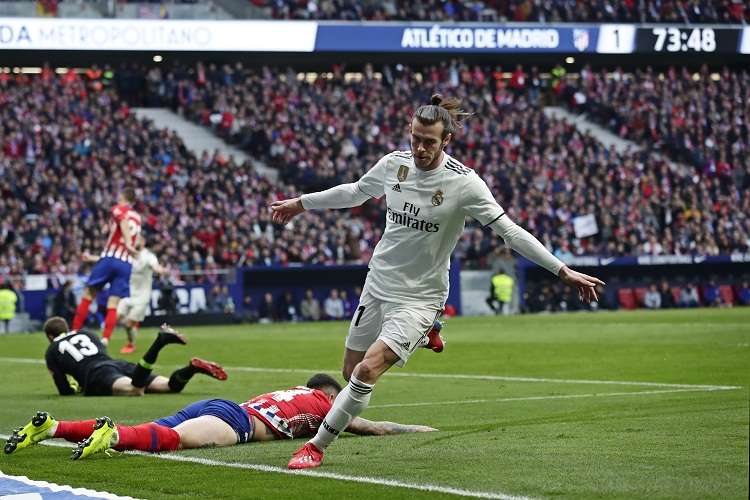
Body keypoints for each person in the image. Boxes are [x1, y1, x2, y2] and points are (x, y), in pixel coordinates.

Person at [271, 93, 604, 469]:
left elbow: (510, 233)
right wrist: (301, 203)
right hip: (378, 284)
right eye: (415, 138)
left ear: (447, 140)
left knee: (366, 372)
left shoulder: (465, 184)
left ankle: (315, 447)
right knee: (349, 373)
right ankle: (431, 330)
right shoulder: (393, 164)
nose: (420, 148)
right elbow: (354, 192)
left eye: (429, 141)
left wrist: (563, 270)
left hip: (421, 296)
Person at [4, 374, 435, 459]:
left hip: (226, 405)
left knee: (157, 429)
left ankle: (53, 427)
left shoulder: (296, 392)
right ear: (330, 395)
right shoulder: (327, 404)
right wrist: (416, 428)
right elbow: (371, 427)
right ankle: (110, 437)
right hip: (237, 423)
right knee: (170, 441)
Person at [41, 316, 226, 397]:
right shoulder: (86, 333)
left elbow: (63, 387)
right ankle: (191, 368)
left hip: (97, 374)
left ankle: (159, 342)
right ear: (65, 328)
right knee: (169, 387)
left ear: (50, 336)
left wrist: (76, 389)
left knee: (134, 390)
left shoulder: (52, 350)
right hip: (116, 364)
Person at [71, 188, 141, 347]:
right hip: (125, 264)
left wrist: (127, 242)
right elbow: (132, 239)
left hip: (110, 259)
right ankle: (105, 339)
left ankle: (73, 332)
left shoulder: (118, 209)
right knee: (113, 303)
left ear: (123, 197)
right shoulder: (137, 218)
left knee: (88, 293)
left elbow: (121, 221)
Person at [84, 235, 169, 354]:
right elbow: (106, 259)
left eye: (137, 239)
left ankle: (131, 344)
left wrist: (161, 270)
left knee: (128, 324)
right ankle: (106, 339)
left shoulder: (148, 256)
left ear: (143, 242)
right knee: (115, 316)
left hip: (142, 296)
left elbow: (155, 267)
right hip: (127, 293)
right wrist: (90, 258)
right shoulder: (127, 254)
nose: (134, 241)